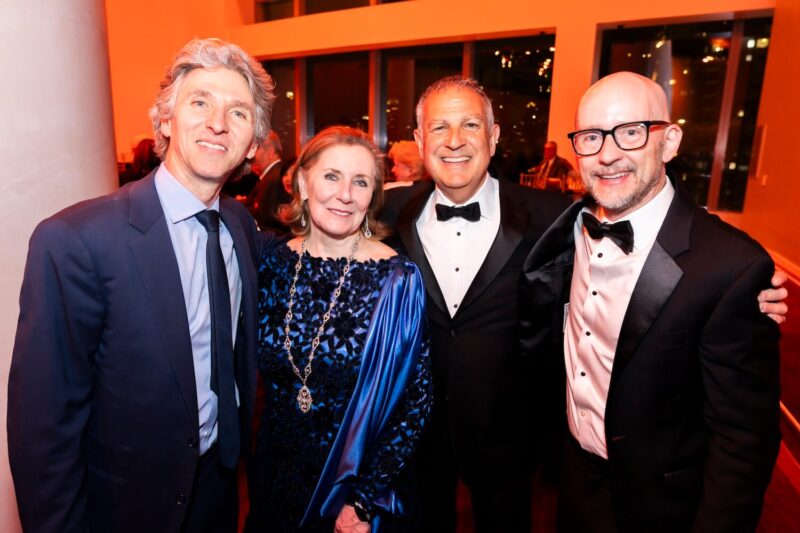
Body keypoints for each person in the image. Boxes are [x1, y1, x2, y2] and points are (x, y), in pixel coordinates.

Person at [8, 38, 276, 532]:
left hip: (219, 493)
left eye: (238, 113)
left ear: (253, 143)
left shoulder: (241, 226)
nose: (218, 123)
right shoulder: (75, 241)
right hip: (123, 507)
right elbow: (43, 428)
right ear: (166, 122)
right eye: (200, 103)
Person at [521, 71, 782, 532]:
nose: (607, 154)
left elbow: (743, 439)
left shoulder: (729, 267)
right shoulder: (563, 231)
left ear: (670, 141)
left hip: (664, 506)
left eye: (631, 132)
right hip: (573, 482)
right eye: (590, 136)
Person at [380, 76, 572, 532]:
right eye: (439, 127)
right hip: (415, 428)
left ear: (494, 135)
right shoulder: (389, 213)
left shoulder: (551, 216)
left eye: (469, 124)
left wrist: (741, 291)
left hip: (508, 427)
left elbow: (620, 269)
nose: (454, 141)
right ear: (420, 139)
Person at [244, 126, 432, 533]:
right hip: (274, 478)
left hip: (350, 492)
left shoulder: (396, 281)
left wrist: (363, 501)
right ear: (302, 183)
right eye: (331, 176)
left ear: (372, 196)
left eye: (360, 181)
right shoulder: (272, 265)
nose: (345, 194)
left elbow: (413, 406)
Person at [243, 130, 290, 230]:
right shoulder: (271, 176)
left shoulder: (277, 178)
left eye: (255, 149)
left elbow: (267, 219)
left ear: (270, 151)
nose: (251, 155)